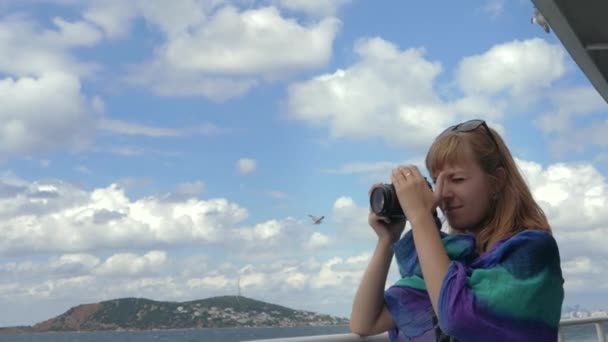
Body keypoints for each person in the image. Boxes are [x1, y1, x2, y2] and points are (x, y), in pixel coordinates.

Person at [350, 119, 564, 341]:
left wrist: (421, 218)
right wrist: (387, 240)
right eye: (436, 181)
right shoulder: (453, 257)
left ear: (497, 181)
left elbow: (455, 317)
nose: (442, 194)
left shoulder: (532, 250)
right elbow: (365, 322)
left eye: (457, 179)